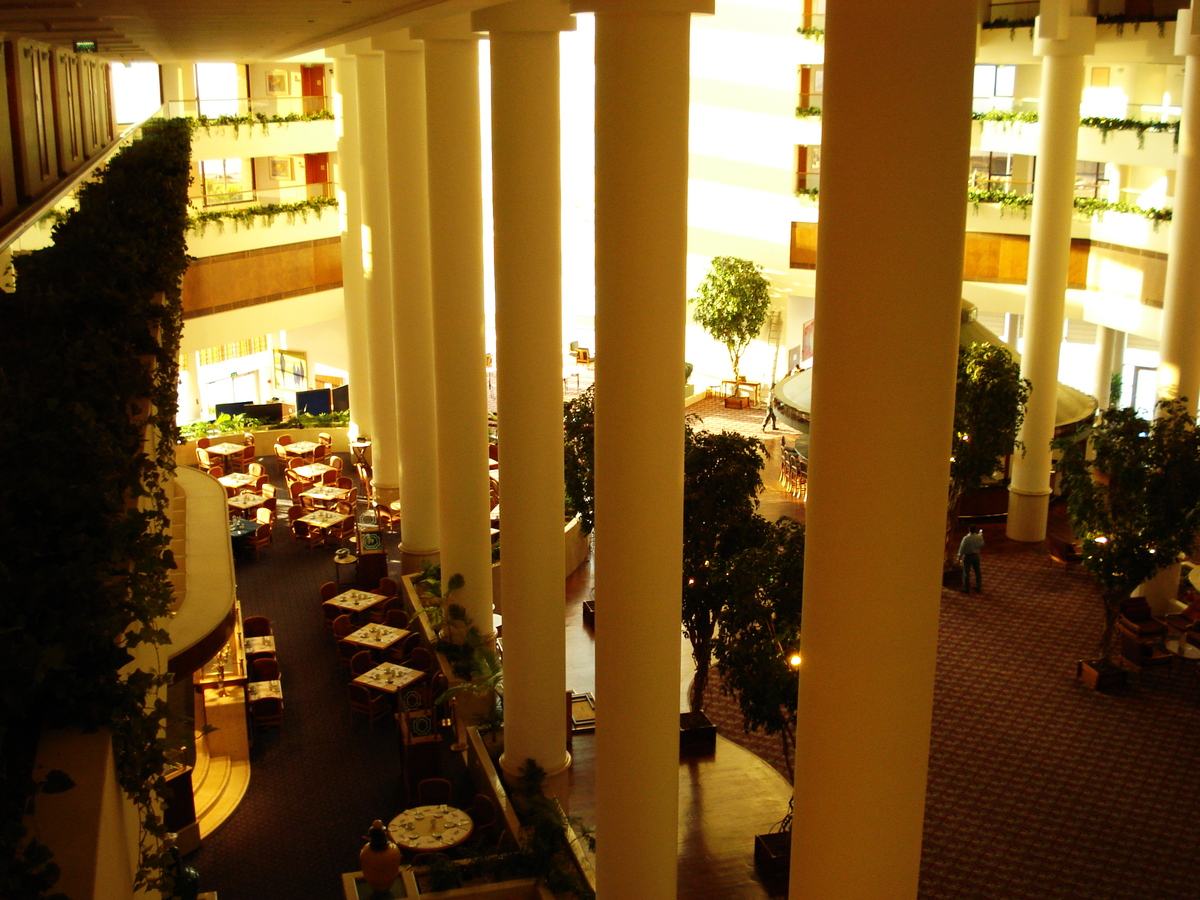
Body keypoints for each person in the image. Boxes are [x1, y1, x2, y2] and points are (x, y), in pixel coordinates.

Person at [958, 526, 984, 593]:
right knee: (977, 572)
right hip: (976, 555)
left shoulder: (966, 538)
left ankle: (966, 589)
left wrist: (959, 556)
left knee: (966, 573)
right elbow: (982, 545)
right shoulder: (979, 537)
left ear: (968, 530)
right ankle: (979, 587)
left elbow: (962, 548)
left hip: (968, 556)